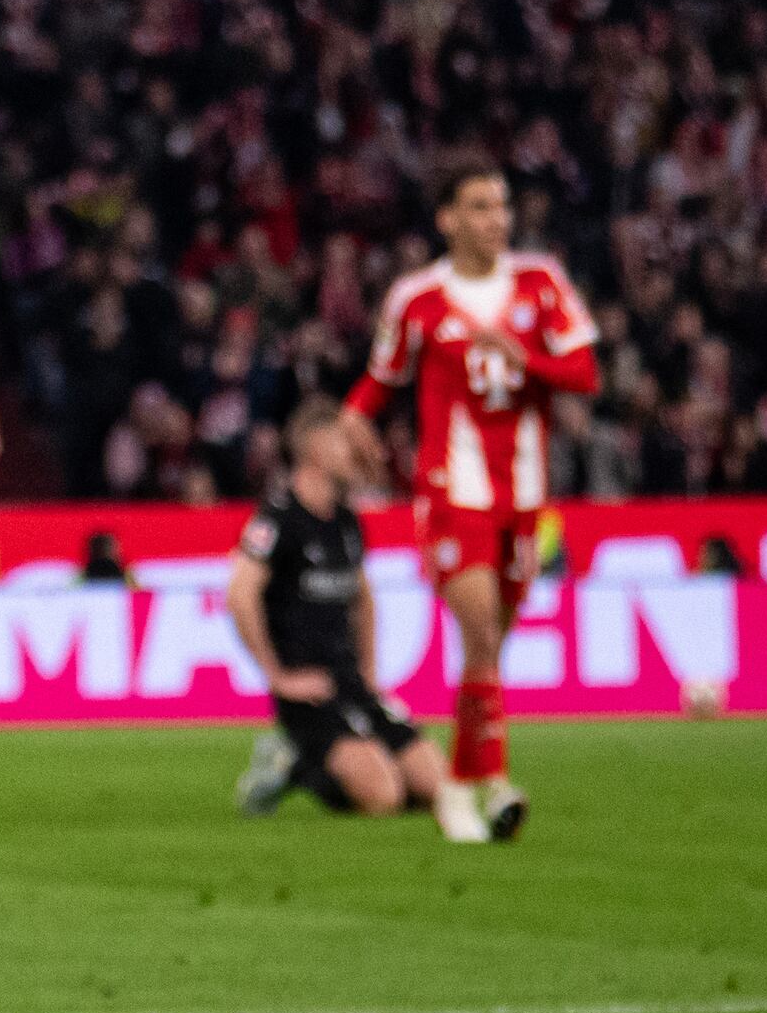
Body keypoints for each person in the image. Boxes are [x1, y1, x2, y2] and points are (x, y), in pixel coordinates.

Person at [347, 154, 600, 842]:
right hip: (451, 489)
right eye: (481, 207)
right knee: (480, 629)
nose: (498, 220)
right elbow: (380, 380)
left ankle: (463, 781)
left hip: (524, 491)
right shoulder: (418, 298)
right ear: (448, 219)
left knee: (488, 650)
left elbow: (585, 373)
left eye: (502, 205)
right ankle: (489, 784)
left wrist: (528, 360)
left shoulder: (542, 282)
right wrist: (350, 428)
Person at [227, 401, 432, 816]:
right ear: (316, 450)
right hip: (310, 691)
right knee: (383, 798)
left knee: (434, 786)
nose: (356, 452)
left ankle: (353, 757)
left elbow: (364, 597)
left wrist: (370, 669)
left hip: (350, 681)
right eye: (345, 442)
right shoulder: (279, 520)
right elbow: (239, 594)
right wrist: (277, 676)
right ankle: (295, 764)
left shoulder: (346, 521)